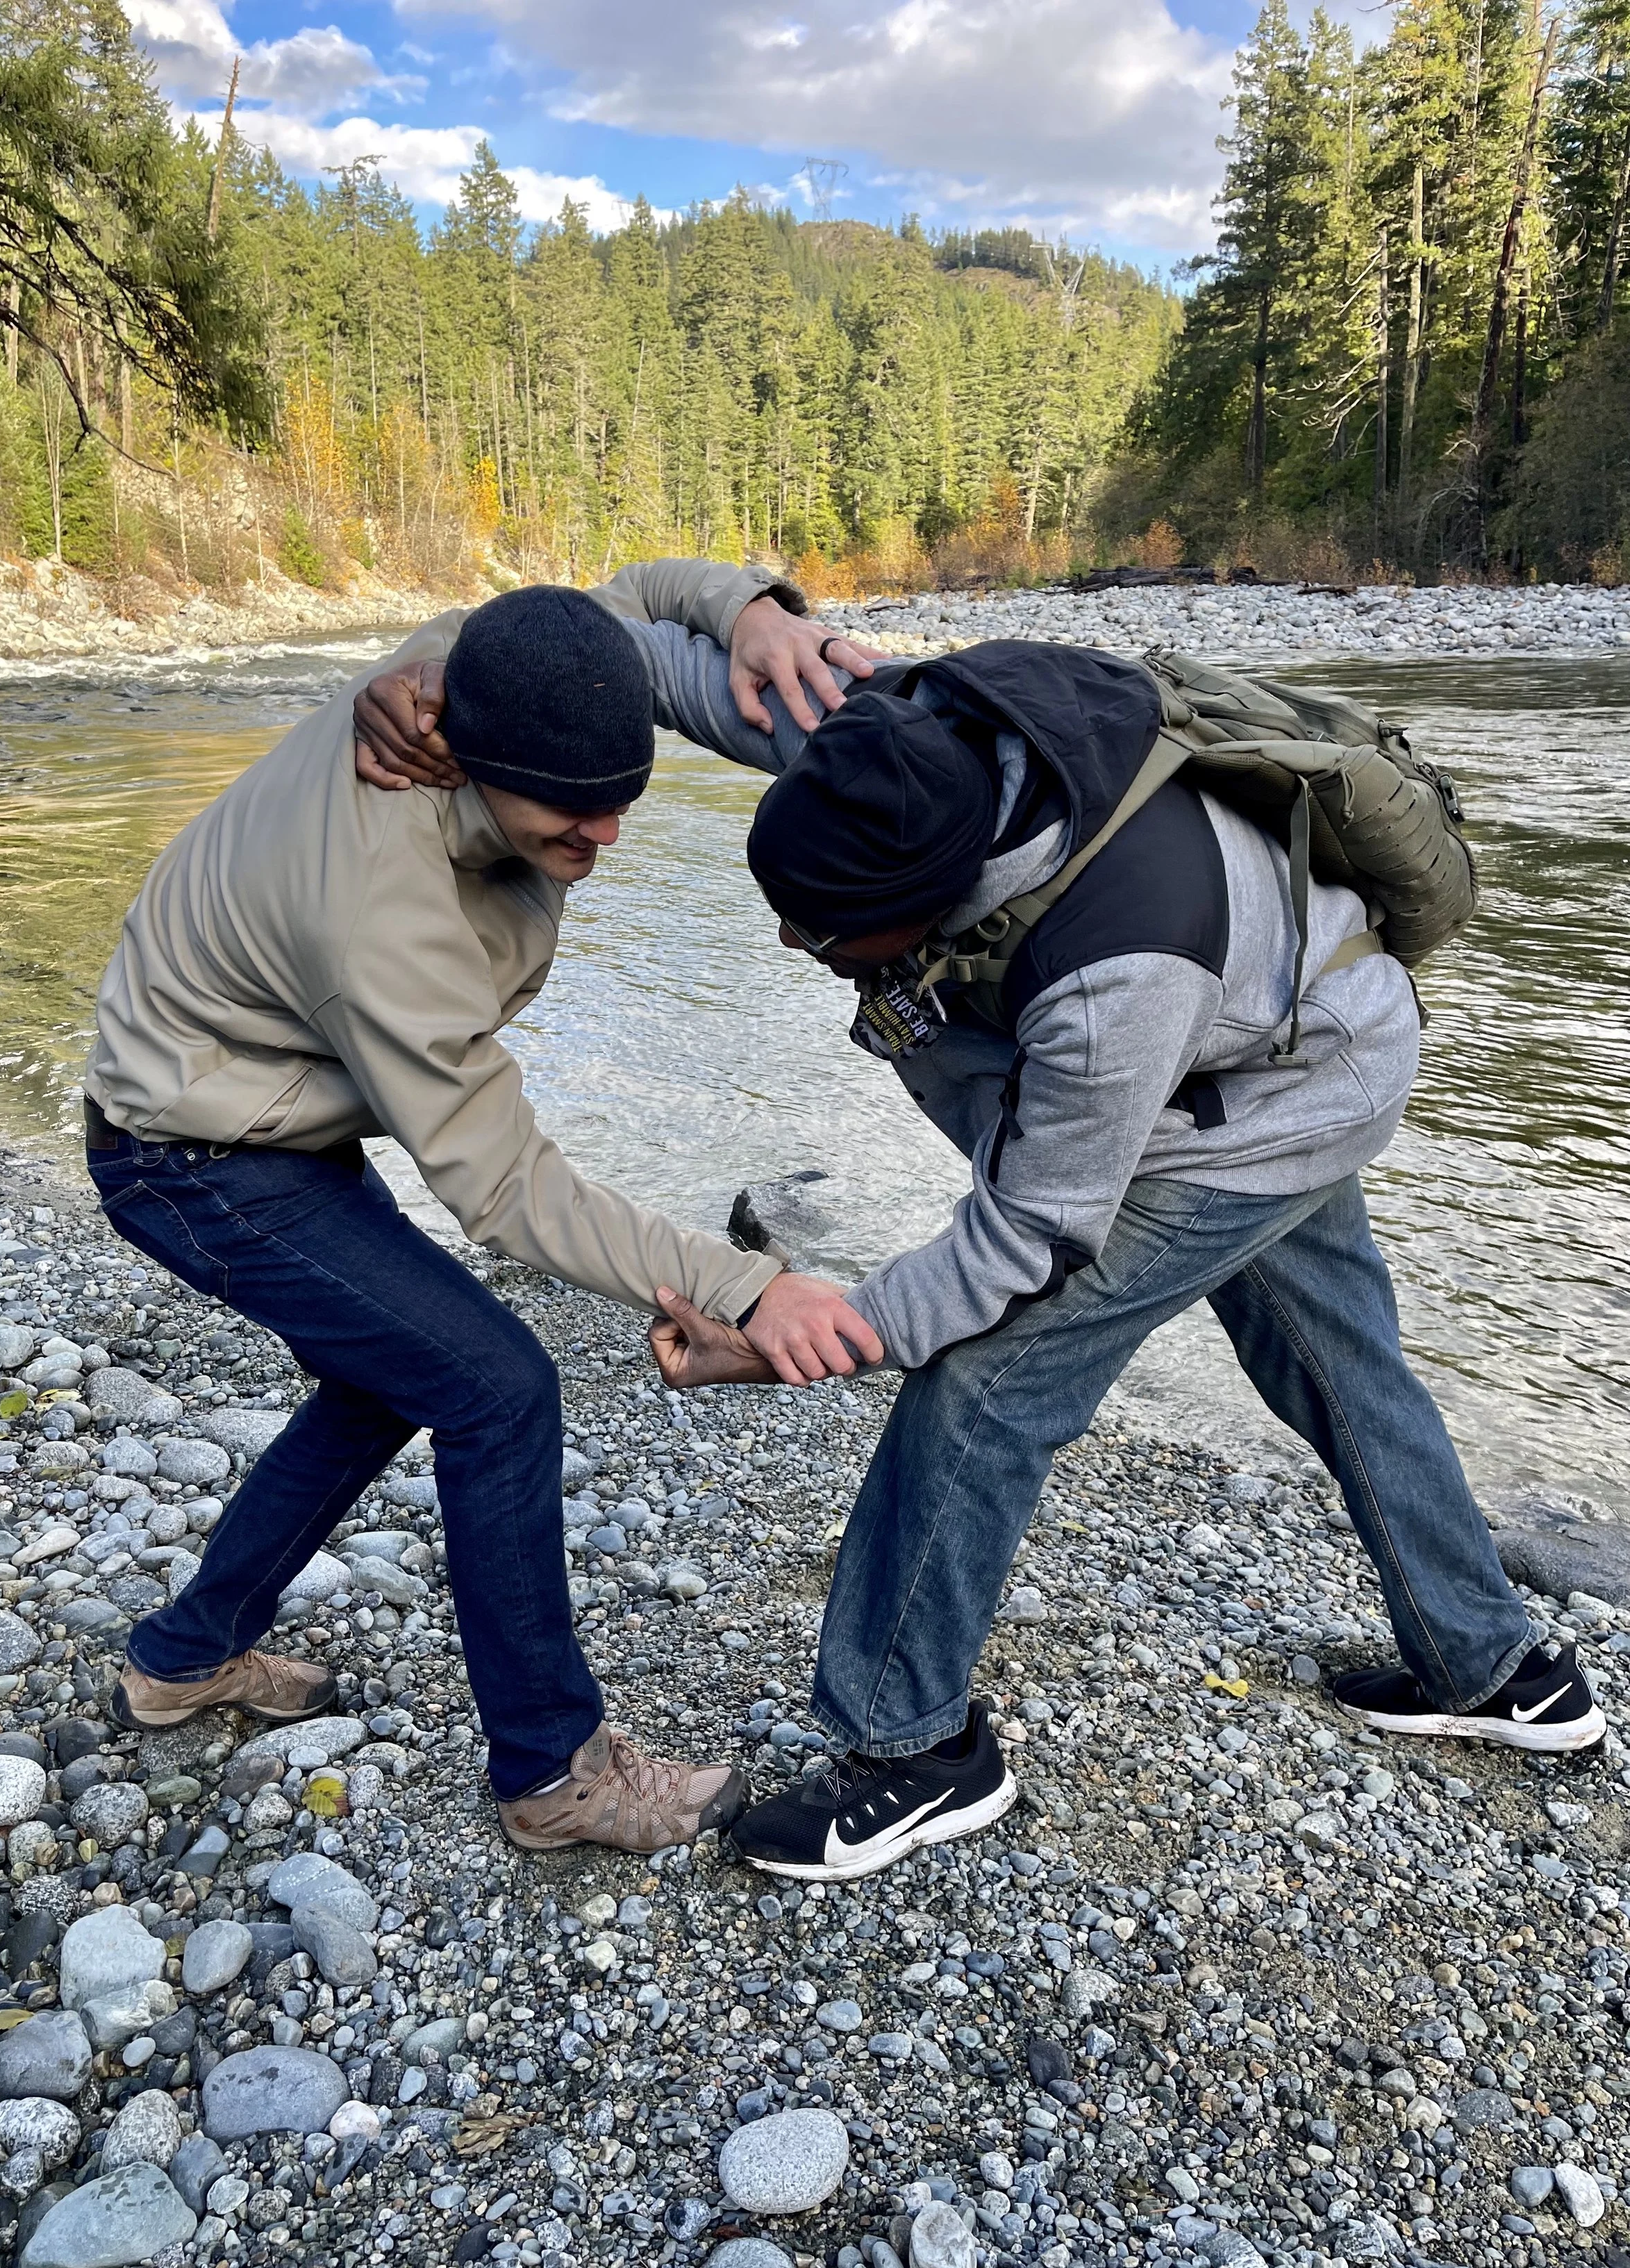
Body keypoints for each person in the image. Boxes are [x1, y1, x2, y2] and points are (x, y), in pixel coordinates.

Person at [356, 588, 1605, 1887]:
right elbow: (664, 673)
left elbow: (1028, 1239)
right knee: (1340, 1367)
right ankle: (1505, 1670)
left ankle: (916, 1749)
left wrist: (789, 1341)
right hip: (1300, 1031)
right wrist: (450, 682)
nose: (796, 940)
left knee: (987, 1385)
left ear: (933, 901)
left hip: (1260, 1105)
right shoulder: (897, 750)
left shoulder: (1118, 979)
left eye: (831, 941)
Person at [83, 559, 883, 1858]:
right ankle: (552, 1775)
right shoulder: (379, 910)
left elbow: (618, 595)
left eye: (623, 802)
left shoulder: (482, 670)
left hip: (249, 1109)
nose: (605, 838)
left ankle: (183, 1658)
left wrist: (746, 609)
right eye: (570, 814)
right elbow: (504, 1187)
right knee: (496, 1386)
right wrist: (744, 1283)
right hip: (193, 1157)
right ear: (467, 751)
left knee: (394, 1374)